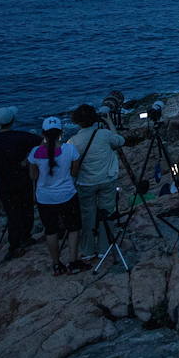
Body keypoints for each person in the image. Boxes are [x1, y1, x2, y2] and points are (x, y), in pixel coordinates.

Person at [0, 106, 40, 261]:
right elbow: (43, 142)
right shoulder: (23, 137)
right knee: (27, 209)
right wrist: (28, 159)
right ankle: (26, 237)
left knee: (12, 213)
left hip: (5, 183)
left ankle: (14, 245)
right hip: (23, 180)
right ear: (13, 121)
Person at [28, 117, 85, 275]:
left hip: (44, 198)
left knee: (51, 231)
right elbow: (74, 172)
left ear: (43, 134)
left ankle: (56, 264)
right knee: (73, 228)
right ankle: (73, 262)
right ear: (61, 132)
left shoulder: (35, 153)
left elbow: (33, 176)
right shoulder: (69, 149)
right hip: (67, 195)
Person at [67, 103, 125, 257]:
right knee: (106, 213)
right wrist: (110, 122)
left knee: (87, 216)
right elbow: (120, 141)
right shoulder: (104, 134)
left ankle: (87, 250)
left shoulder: (73, 141)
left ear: (77, 121)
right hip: (107, 179)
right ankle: (104, 248)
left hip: (85, 183)